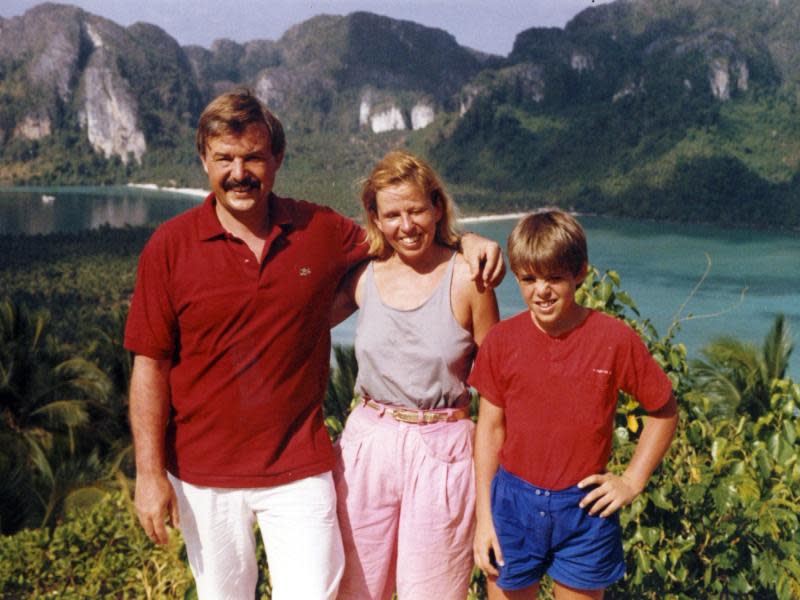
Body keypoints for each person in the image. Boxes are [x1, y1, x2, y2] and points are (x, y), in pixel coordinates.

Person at [124, 90, 504, 600]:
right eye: (225, 159)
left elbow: (401, 235)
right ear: (204, 161)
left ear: (276, 158)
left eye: (254, 157)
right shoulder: (169, 247)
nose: (240, 172)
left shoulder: (317, 230)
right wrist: (149, 474)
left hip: (300, 468)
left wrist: (467, 243)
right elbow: (149, 365)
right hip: (202, 472)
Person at [469, 209, 678, 600]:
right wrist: (484, 519)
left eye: (554, 278)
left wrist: (632, 480)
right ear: (517, 276)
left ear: (580, 272)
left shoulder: (614, 339)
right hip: (512, 504)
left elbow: (663, 410)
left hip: (585, 507)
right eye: (528, 279)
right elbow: (489, 428)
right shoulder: (501, 341)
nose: (541, 291)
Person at [330, 151, 500, 599]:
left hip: (442, 450)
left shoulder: (468, 278)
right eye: (392, 215)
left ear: (437, 208)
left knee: (433, 592)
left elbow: (500, 385)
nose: (406, 226)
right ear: (375, 218)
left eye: (416, 210)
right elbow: (299, 320)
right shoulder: (364, 276)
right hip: (367, 445)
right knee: (355, 589)